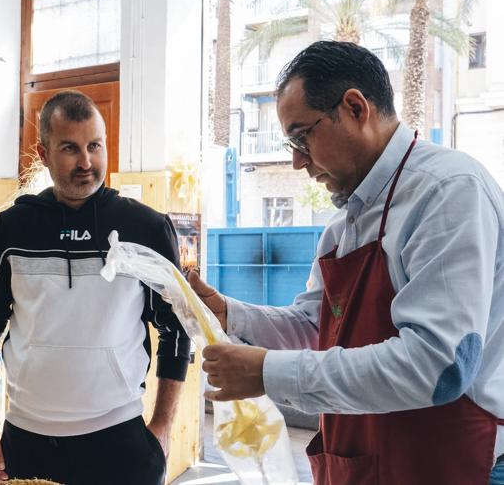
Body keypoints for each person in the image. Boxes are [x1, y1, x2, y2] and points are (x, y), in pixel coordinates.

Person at [190, 41, 504, 485]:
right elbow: (317, 328)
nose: (297, 161)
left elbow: (438, 366)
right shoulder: (343, 226)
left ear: (355, 107)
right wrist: (230, 313)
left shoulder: (446, 191)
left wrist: (267, 372)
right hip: (362, 462)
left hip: (449, 461)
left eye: (302, 137)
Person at [0, 90, 191, 484]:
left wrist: (163, 426)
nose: (86, 162)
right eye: (70, 148)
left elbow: (177, 325)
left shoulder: (146, 228)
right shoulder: (11, 229)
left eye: (95, 146)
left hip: (120, 438)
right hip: (27, 437)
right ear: (44, 152)